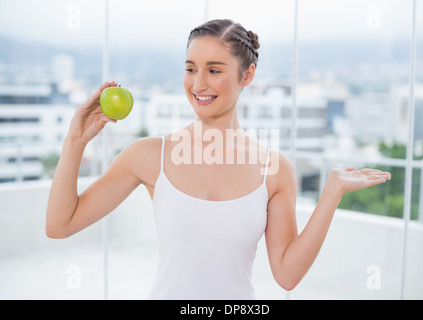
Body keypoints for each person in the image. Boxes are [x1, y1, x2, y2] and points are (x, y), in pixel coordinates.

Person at [46, 19, 391, 299]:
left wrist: (331, 193)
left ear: (248, 75)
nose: (198, 84)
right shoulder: (149, 156)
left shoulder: (275, 169)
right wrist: (76, 140)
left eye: (214, 70)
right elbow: (60, 225)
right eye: (191, 68)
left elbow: (287, 275)